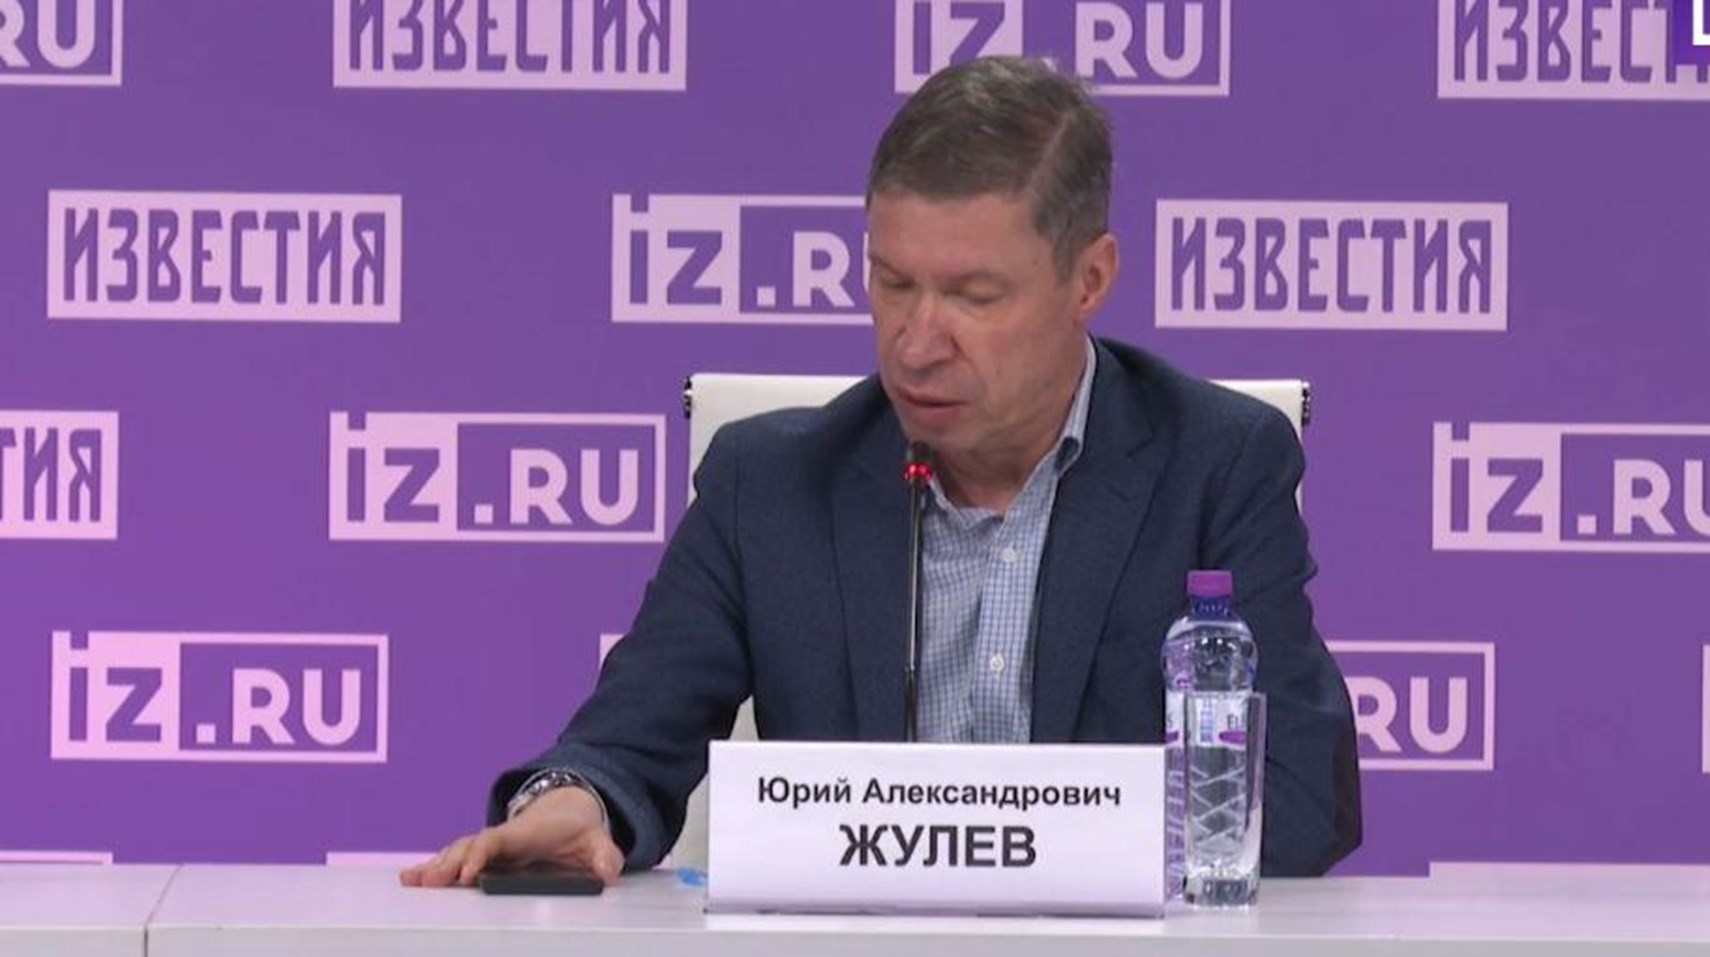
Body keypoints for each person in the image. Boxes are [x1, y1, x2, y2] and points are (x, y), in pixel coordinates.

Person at [402, 55, 1360, 889]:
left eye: (973, 296)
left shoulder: (1216, 464)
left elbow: (1297, 800)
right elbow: (624, 741)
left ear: (1089, 279)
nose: (916, 340)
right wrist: (572, 801)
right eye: (892, 283)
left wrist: (1030, 853)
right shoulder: (767, 485)